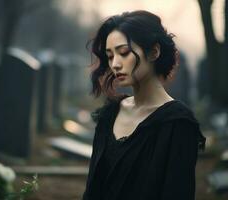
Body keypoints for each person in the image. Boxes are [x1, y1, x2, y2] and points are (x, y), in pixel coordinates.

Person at [82, 10, 206, 200]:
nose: (115, 64)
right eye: (110, 56)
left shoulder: (177, 123)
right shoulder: (110, 113)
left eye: (123, 52)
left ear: (154, 52)